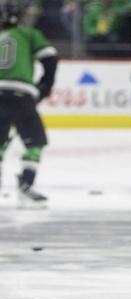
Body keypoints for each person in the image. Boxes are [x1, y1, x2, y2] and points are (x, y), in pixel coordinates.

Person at [0, 0, 58, 208]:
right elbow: (50, 57)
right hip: (20, 94)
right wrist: (45, 86)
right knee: (35, 142)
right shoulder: (27, 34)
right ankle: (26, 185)